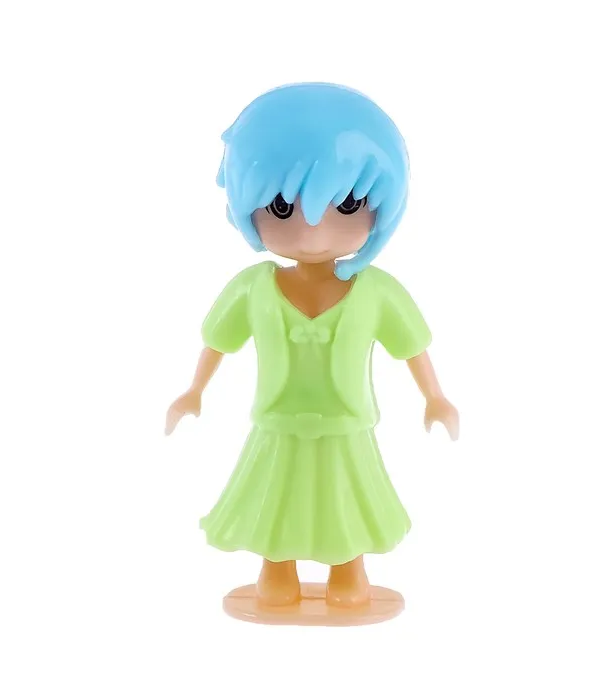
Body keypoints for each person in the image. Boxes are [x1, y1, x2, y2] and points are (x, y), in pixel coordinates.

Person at [165, 83, 459, 608]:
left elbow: (412, 347)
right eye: (282, 206)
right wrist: (194, 391)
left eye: (347, 203)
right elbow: (219, 342)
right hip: (278, 425)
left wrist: (435, 397)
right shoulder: (254, 289)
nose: (313, 233)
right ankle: (276, 572)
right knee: (277, 499)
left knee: (344, 501)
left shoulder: (375, 291)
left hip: (346, 426)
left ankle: (349, 573)